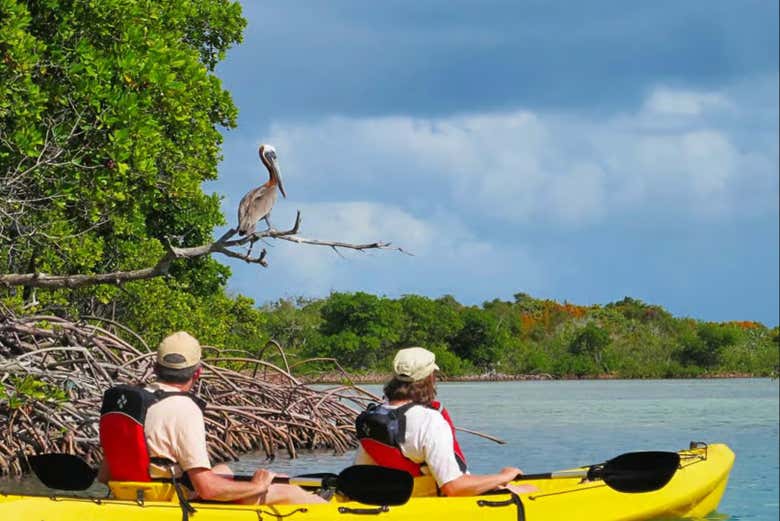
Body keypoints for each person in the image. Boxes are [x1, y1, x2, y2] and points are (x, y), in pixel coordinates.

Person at [97, 331, 324, 505]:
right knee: (287, 490)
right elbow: (208, 490)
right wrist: (258, 486)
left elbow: (105, 475)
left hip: (133, 491)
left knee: (224, 469)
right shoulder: (184, 408)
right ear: (198, 372)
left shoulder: (133, 404)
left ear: (156, 367)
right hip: (169, 500)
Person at [355, 347, 536, 496]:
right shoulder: (429, 421)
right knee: (529, 491)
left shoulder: (372, 418)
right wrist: (503, 477)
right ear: (429, 378)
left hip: (403, 498)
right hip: (438, 501)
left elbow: (361, 472)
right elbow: (454, 488)